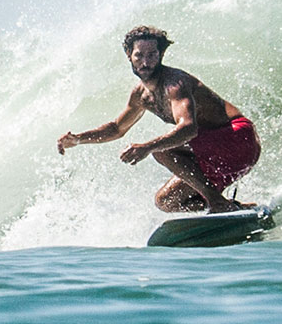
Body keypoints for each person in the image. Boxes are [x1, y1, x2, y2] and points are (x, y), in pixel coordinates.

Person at [56, 26, 261, 213]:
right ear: (129, 55)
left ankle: (217, 204)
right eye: (139, 55)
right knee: (166, 201)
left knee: (162, 150)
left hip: (237, 138)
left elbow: (188, 128)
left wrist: (146, 147)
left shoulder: (175, 83)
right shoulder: (140, 95)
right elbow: (116, 129)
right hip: (212, 150)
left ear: (161, 54)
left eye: (152, 55)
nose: (145, 62)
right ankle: (229, 206)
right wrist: (78, 139)